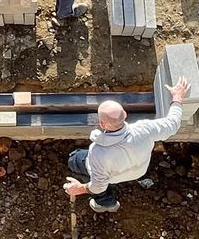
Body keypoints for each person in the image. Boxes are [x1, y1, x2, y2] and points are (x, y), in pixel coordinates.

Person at [65, 78, 190, 213]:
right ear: (125, 114)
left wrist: (80, 188)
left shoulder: (97, 153)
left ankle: (106, 203)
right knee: (99, 173)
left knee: (75, 159)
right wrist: (177, 98)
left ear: (102, 124)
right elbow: (172, 125)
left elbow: (98, 187)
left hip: (112, 177)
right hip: (139, 171)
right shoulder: (144, 129)